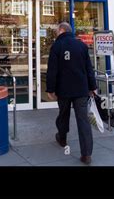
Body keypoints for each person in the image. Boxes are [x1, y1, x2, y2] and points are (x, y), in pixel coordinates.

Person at [46, 22, 97, 165]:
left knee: (63, 115)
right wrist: (92, 86)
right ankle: (86, 154)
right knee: (83, 120)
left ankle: (62, 138)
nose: (56, 33)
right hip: (81, 89)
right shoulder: (81, 45)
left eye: (57, 31)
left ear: (62, 30)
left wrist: (50, 89)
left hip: (63, 90)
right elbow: (89, 68)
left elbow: (52, 70)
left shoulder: (56, 46)